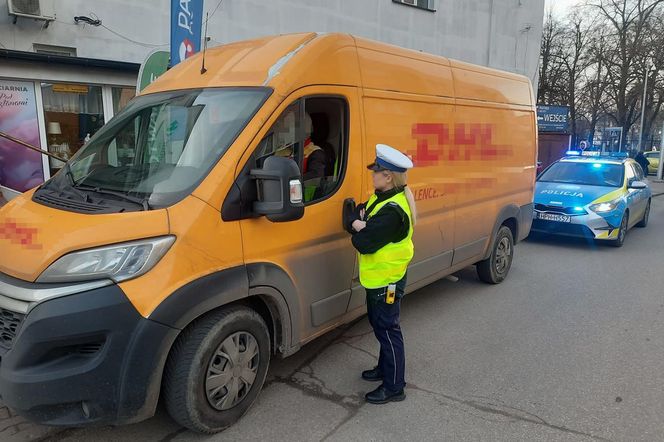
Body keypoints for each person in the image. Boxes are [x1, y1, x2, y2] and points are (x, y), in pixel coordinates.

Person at [347, 143, 417, 404]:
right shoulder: (383, 196)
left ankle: (394, 386)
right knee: (380, 327)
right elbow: (359, 212)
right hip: (378, 278)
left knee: (388, 330)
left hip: (387, 280)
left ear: (388, 176)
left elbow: (362, 242)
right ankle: (383, 369)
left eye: (376, 171)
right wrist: (359, 222)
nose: (372, 174)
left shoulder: (392, 210)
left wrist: (356, 225)